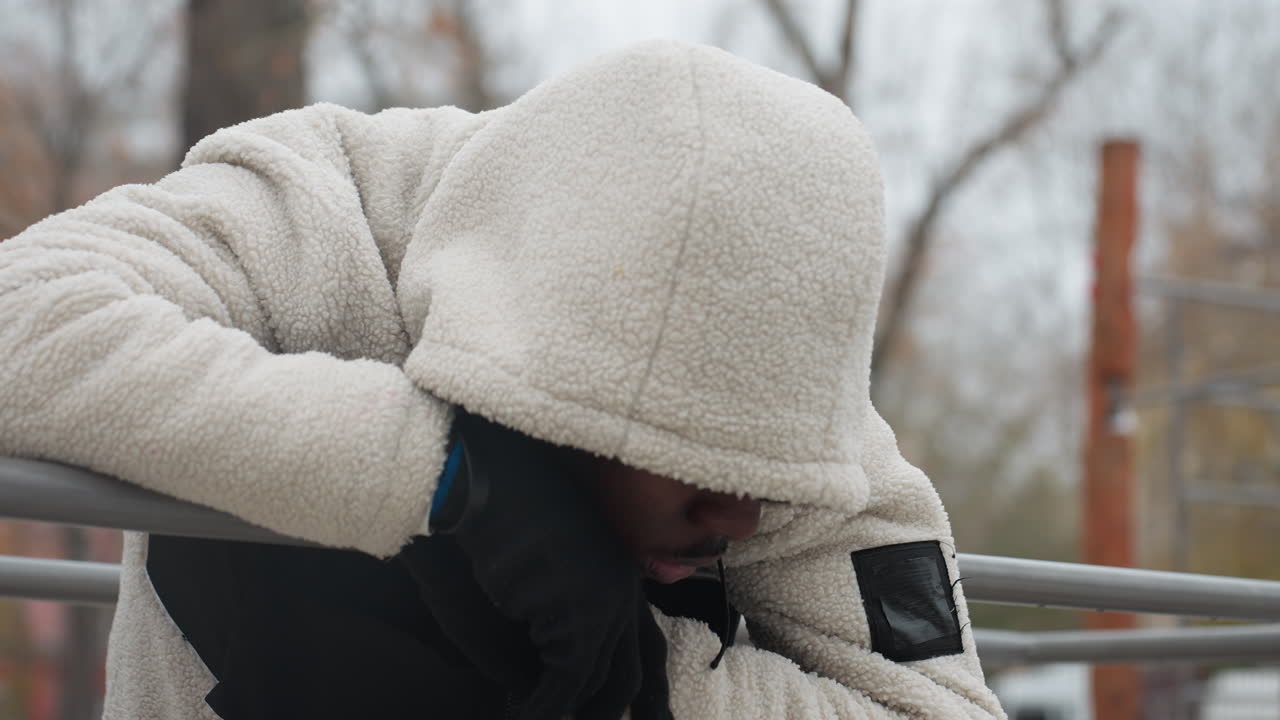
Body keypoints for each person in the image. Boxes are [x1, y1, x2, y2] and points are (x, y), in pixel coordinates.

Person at [0, 39, 1007, 719]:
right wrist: (443, 484)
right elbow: (24, 311)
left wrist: (650, 681)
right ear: (548, 350)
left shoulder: (788, 410)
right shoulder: (329, 204)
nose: (741, 514)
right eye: (686, 458)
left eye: (763, 473)